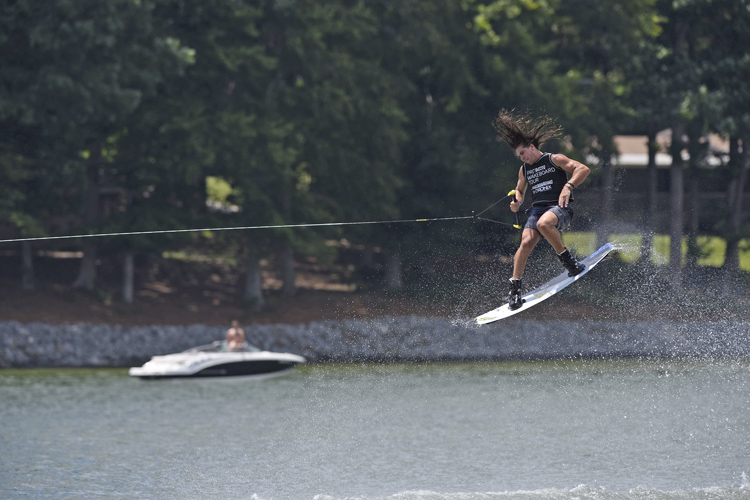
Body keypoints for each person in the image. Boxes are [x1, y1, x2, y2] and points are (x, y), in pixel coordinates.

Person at [491, 109, 591, 310]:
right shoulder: (524, 169)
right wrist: (516, 201)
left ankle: (569, 262)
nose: (521, 158)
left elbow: (583, 169)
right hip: (537, 210)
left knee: (544, 223)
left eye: (522, 153)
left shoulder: (554, 159)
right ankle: (515, 289)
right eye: (519, 156)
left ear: (531, 146)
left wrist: (567, 186)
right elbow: (519, 189)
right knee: (526, 241)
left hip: (559, 208)